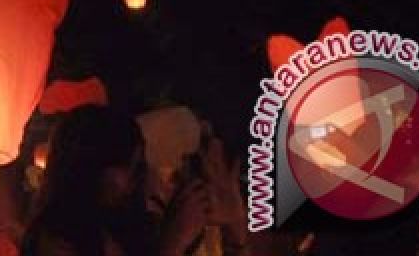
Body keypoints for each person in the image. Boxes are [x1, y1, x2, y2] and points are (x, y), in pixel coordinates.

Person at [21, 106, 249, 256]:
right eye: (129, 165)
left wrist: (235, 229)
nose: (138, 177)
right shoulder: (55, 241)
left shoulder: (140, 228)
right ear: (88, 168)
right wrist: (173, 244)